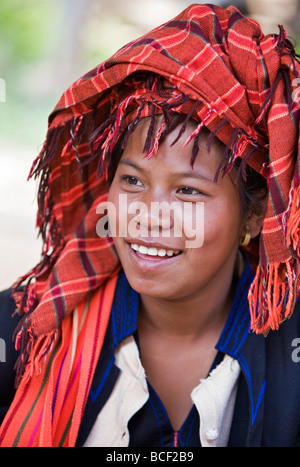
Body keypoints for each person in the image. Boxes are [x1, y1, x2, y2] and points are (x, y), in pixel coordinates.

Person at [0, 3, 300, 447]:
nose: (147, 213)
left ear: (254, 216)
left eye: (188, 191)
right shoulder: (22, 331)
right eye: (133, 180)